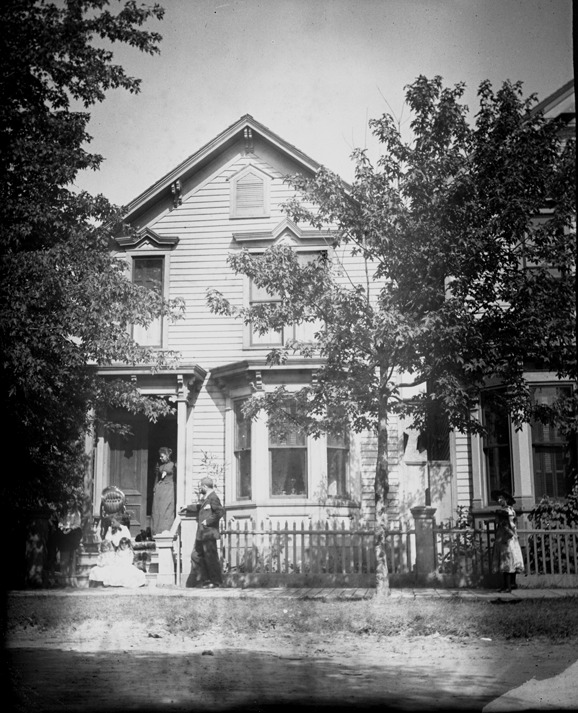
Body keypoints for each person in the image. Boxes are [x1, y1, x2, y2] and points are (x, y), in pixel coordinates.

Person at [180, 476, 225, 588]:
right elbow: (201, 507)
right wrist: (187, 507)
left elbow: (220, 512)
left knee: (211, 558)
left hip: (209, 533)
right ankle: (206, 580)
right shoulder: (207, 498)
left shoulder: (213, 497)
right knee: (195, 556)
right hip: (202, 534)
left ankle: (216, 582)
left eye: (201, 486)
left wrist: (207, 521)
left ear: (205, 486)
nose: (200, 488)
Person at [491, 489, 525, 593]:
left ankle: (508, 586)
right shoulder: (504, 510)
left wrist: (504, 526)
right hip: (503, 537)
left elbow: (511, 525)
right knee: (505, 560)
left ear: (506, 499)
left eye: (501, 498)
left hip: (508, 539)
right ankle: (507, 585)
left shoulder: (509, 511)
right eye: (498, 498)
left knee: (508, 561)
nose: (499, 500)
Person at [55, 503, 83, 587]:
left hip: (73, 534)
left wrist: (70, 529)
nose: (69, 503)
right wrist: (63, 528)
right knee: (64, 557)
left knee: (72, 557)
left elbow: (77, 524)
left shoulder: (76, 512)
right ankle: (64, 580)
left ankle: (72, 580)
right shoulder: (62, 512)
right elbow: (60, 523)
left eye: (71, 500)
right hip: (64, 535)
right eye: (68, 501)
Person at [151, 447, 176, 535]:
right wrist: (155, 488)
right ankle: (156, 531)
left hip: (169, 489)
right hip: (160, 489)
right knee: (157, 510)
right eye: (160, 456)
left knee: (166, 510)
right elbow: (158, 478)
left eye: (162, 456)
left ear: (167, 455)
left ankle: (165, 531)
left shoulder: (173, 465)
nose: (160, 458)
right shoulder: (161, 466)